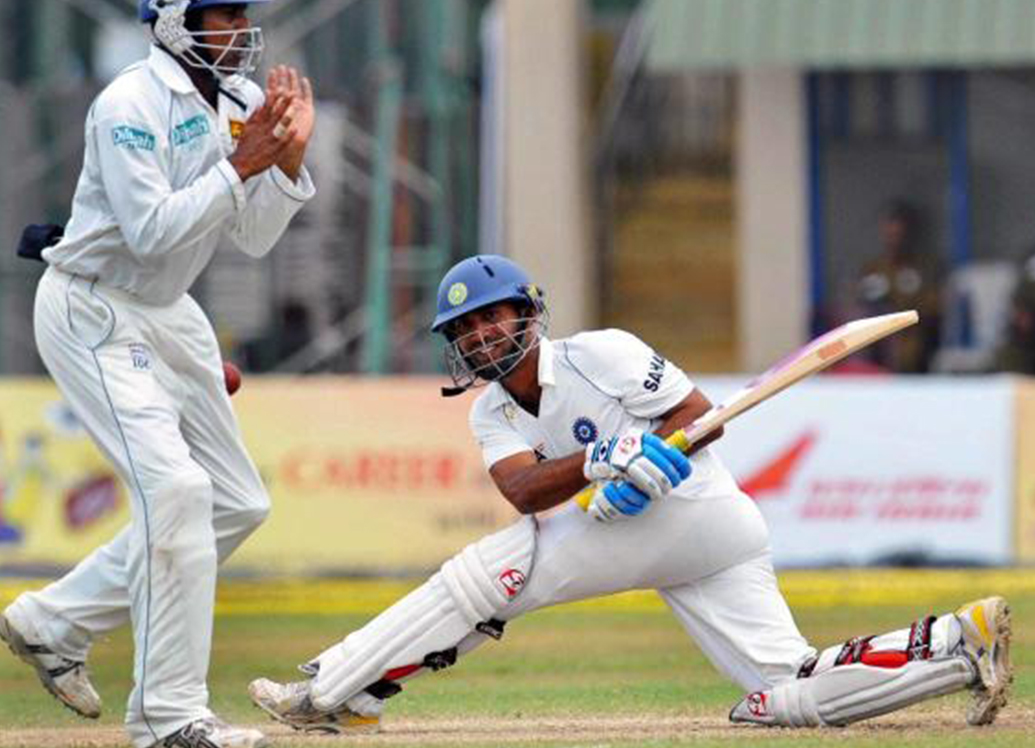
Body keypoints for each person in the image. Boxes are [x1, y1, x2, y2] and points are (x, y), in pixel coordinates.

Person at [247, 255, 1011, 733]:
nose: (480, 336)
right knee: (781, 691)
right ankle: (953, 646)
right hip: (693, 545)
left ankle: (334, 692)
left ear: (528, 312)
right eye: (465, 328)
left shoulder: (599, 353)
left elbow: (696, 422)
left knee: (488, 576)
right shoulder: (491, 410)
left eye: (491, 316)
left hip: (697, 511)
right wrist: (601, 464)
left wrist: (649, 467)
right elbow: (520, 490)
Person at [0, 0, 315, 748]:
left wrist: (284, 165)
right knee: (174, 492)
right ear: (174, 21)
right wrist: (244, 163)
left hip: (168, 312)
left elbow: (247, 236)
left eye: (245, 15)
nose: (242, 31)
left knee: (238, 501)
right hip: (93, 308)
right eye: (225, 15)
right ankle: (169, 720)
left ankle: (52, 621)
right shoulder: (126, 104)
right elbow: (147, 233)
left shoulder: (237, 99)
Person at [854, 201, 941, 372]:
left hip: (913, 334)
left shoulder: (922, 268)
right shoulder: (874, 268)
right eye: (890, 235)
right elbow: (860, 302)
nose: (894, 241)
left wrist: (907, 308)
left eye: (899, 235)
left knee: (911, 345)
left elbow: (933, 306)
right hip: (878, 335)